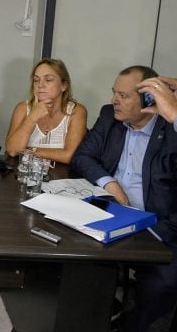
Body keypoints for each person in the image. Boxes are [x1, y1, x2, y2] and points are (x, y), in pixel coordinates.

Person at [71, 65, 177, 331]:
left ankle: (131, 325)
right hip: (110, 211)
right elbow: (83, 156)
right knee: (71, 260)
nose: (113, 101)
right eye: (113, 93)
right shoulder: (110, 117)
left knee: (163, 284)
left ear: (149, 100)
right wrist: (111, 184)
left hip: (158, 224)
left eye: (123, 95)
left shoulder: (171, 129)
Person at [4, 59, 87, 164]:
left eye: (48, 80)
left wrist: (29, 150)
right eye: (36, 80)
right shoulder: (22, 108)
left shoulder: (77, 111)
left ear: (64, 85)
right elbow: (12, 150)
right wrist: (32, 117)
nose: (40, 85)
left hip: (62, 177)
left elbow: (70, 156)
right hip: (25, 175)